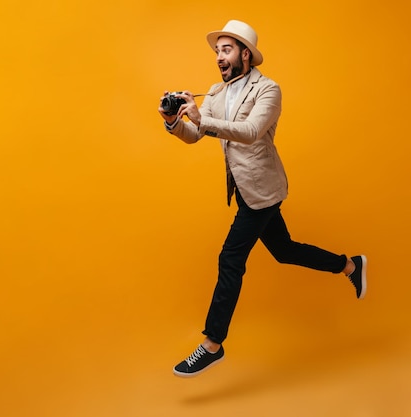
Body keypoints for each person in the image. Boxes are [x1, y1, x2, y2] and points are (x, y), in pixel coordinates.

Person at [157, 20, 367, 378]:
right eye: (217, 51)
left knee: (230, 258)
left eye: (226, 49)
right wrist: (175, 121)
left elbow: (252, 132)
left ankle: (213, 344)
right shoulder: (216, 92)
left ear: (245, 53)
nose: (219, 57)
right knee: (284, 251)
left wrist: (201, 119)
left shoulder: (269, 89)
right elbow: (195, 136)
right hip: (243, 189)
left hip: (264, 190)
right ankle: (351, 265)